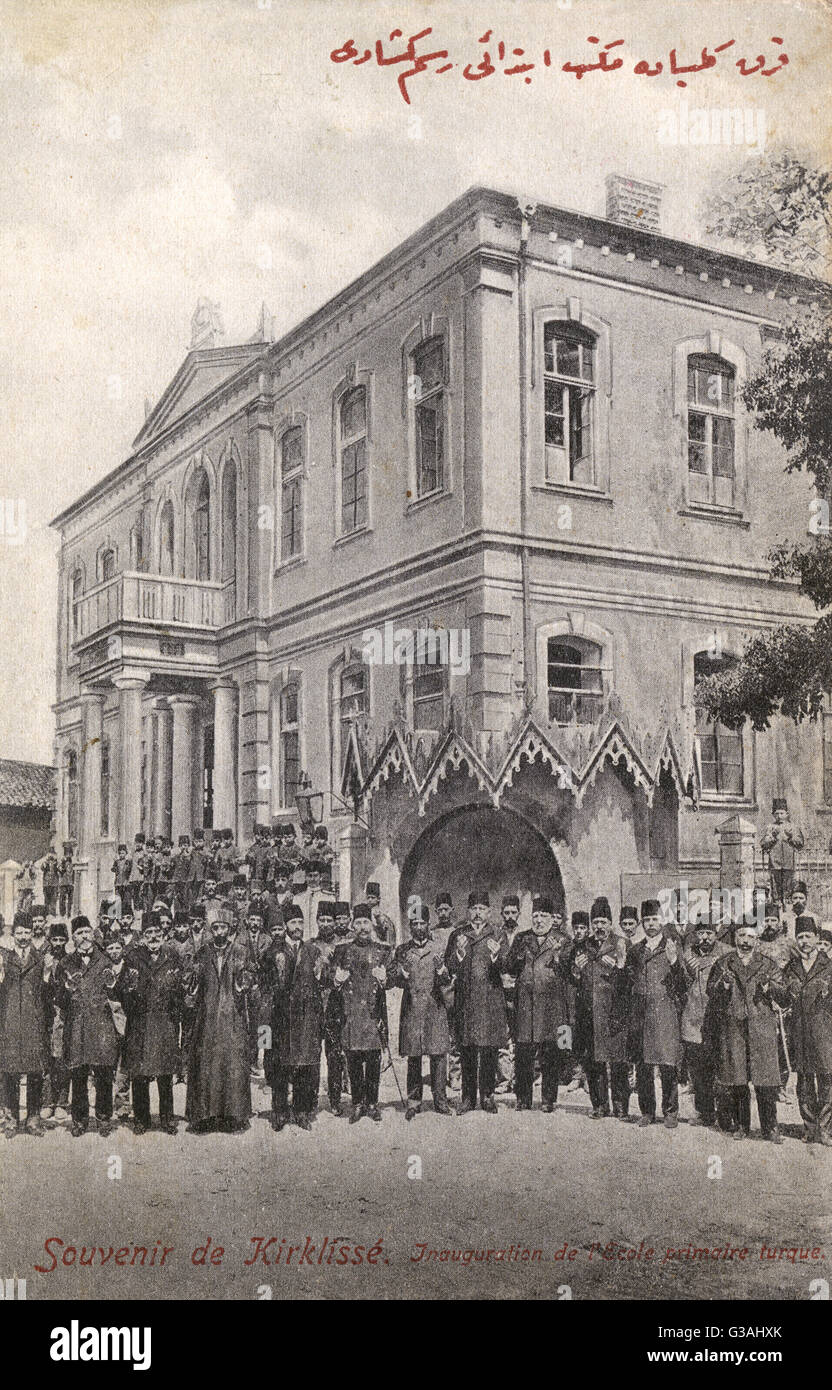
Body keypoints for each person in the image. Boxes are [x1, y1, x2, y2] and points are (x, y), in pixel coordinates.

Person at [706, 922, 791, 1143]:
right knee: (738, 1080)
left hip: (761, 1026)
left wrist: (769, 987)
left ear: (757, 939)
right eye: (741, 935)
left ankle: (770, 1128)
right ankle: (742, 1125)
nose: (745, 940)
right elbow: (711, 993)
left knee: (765, 1081)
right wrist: (723, 986)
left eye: (750, 936)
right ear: (735, 939)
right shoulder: (724, 963)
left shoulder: (768, 964)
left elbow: (784, 996)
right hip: (733, 1027)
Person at [184, 906, 256, 1133]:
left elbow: (250, 975)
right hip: (207, 1017)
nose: (219, 932)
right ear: (211, 929)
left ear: (230, 928)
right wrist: (191, 983)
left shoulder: (241, 951)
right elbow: (192, 982)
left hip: (232, 1016)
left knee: (232, 1064)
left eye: (223, 927)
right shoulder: (203, 952)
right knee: (206, 1065)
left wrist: (243, 982)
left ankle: (234, 1116)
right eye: (215, 927)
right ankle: (205, 1116)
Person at [621, 900, 688, 1129]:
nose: (651, 924)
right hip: (640, 1014)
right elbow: (625, 983)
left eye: (655, 919)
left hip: (665, 1013)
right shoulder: (635, 950)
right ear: (642, 923)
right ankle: (647, 1111)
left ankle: (670, 1112)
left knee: (668, 1064)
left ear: (662, 920)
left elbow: (684, 983)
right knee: (643, 1066)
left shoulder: (672, 947)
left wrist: (674, 962)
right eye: (647, 920)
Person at [445, 890, 509, 1115]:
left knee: (490, 1050)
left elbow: (507, 966)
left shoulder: (498, 935)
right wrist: (460, 953)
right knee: (468, 1050)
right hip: (467, 1001)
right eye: (474, 909)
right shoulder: (458, 935)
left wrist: (496, 956)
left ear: (489, 912)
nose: (478, 914)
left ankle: (488, 1096)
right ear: (468, 911)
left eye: (482, 909)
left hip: (490, 1000)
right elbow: (448, 966)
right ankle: (468, 1098)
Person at [56, 916, 121, 1137]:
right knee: (79, 1075)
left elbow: (115, 995)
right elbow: (58, 1001)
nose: (85, 937)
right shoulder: (65, 963)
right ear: (73, 938)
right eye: (80, 933)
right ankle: (80, 1121)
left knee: (103, 1074)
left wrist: (113, 985)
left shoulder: (104, 961)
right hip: (76, 1027)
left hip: (101, 1026)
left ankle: (103, 1119)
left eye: (87, 932)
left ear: (93, 934)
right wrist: (66, 988)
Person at [506, 895, 572, 1113]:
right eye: (535, 915)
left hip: (551, 1007)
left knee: (550, 1054)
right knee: (523, 1054)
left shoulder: (562, 940)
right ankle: (523, 1098)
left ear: (552, 918)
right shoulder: (522, 938)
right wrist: (516, 959)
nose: (539, 920)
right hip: (525, 1005)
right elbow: (509, 966)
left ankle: (548, 1099)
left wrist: (558, 956)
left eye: (543, 915)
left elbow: (570, 971)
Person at [120, 914, 183, 1134]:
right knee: (139, 1074)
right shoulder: (133, 956)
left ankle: (166, 1119)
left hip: (165, 1021)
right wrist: (129, 991)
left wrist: (175, 1015)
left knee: (165, 1073)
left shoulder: (173, 955)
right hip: (140, 1022)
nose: (154, 936)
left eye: (157, 932)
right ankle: (141, 1119)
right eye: (149, 933)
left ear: (163, 933)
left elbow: (181, 990)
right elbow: (122, 991)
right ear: (143, 936)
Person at [332, 903, 392, 1123]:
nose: (362, 927)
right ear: (352, 924)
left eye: (365, 922)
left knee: (374, 1060)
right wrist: (336, 980)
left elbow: (393, 977)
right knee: (354, 1060)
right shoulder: (342, 949)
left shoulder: (382, 950)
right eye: (358, 923)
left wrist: (385, 979)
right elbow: (331, 974)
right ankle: (357, 1103)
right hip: (351, 1014)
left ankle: (373, 1103)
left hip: (373, 1014)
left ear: (371, 924)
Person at [393, 903, 454, 1119]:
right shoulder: (402, 950)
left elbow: (447, 980)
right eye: (414, 923)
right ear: (410, 926)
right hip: (412, 1008)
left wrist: (441, 970)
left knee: (438, 1056)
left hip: (434, 1007)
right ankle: (414, 1101)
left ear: (429, 925)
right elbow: (394, 981)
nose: (419, 927)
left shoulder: (439, 949)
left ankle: (440, 1100)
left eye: (422, 923)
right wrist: (403, 974)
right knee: (413, 1056)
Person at [570, 912, 629, 1119]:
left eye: (603, 922)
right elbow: (573, 980)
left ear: (611, 924)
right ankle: (600, 1105)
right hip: (589, 1012)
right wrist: (576, 971)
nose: (599, 926)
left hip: (614, 1012)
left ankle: (621, 1106)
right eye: (595, 922)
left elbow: (630, 979)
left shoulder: (621, 944)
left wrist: (620, 967)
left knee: (618, 1061)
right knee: (593, 1062)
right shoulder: (582, 946)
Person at [0, 911, 52, 1136]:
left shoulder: (41, 959)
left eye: (27, 932)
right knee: (10, 1071)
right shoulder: (5, 958)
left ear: (33, 933)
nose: (23, 937)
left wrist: (49, 974)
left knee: (34, 1072)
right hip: (11, 1022)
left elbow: (48, 994)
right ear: (13, 935)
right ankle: (11, 1118)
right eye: (19, 932)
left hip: (34, 1022)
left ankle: (33, 1118)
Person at [783, 915, 832, 1145]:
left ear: (817, 938)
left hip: (824, 1033)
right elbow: (782, 996)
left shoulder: (828, 965)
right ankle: (810, 1128)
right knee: (803, 1082)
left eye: (808, 937)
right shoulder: (790, 968)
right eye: (800, 937)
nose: (804, 941)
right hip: (799, 1033)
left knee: (826, 1081)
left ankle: (826, 1129)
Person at [680, 919, 728, 1128]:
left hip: (719, 1020)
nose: (705, 938)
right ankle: (705, 1112)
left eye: (709, 933)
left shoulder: (727, 953)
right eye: (701, 934)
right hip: (693, 1019)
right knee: (699, 1072)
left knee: (722, 1070)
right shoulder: (688, 954)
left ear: (716, 933)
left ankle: (726, 1115)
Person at [41, 921, 71, 1120]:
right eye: (55, 939)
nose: (58, 943)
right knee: (46, 1059)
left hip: (64, 1013)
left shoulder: (70, 960)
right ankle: (47, 1102)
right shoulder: (44, 959)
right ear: (49, 940)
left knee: (62, 1059)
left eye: (61, 939)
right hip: (46, 1013)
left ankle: (61, 1102)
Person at [761, 798, 804, 908]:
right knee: (775, 889)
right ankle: (777, 907)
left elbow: (800, 844)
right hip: (775, 864)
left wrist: (790, 837)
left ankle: (788, 907)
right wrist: (773, 837)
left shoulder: (793, 827)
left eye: (782, 813)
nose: (779, 816)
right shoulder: (770, 828)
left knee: (788, 888)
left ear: (787, 814)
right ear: (773, 815)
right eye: (777, 813)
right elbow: (764, 844)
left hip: (789, 863)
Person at [57, 842, 76, 917]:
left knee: (70, 900)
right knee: (62, 899)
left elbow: (73, 872)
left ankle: (69, 913)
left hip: (70, 883)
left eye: (69, 853)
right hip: (63, 883)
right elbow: (60, 870)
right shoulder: (62, 862)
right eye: (67, 853)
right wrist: (63, 863)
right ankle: (63, 913)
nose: (68, 855)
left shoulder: (72, 862)